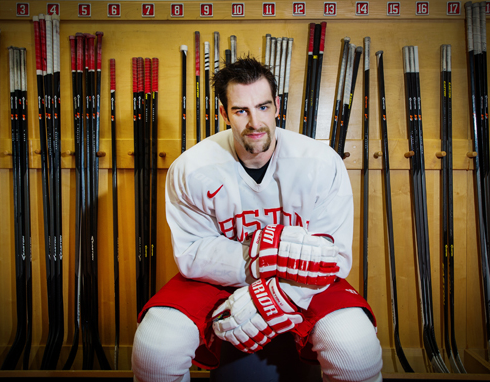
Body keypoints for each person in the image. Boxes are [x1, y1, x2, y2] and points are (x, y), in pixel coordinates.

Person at [132, 56, 383, 382]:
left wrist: (275, 296)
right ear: (223, 113)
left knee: (355, 349)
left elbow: (333, 259)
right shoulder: (191, 167)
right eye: (241, 111)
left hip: (303, 284)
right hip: (217, 281)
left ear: (277, 105)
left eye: (263, 107)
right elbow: (192, 255)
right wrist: (276, 252)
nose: (255, 122)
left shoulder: (320, 162)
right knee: (155, 349)